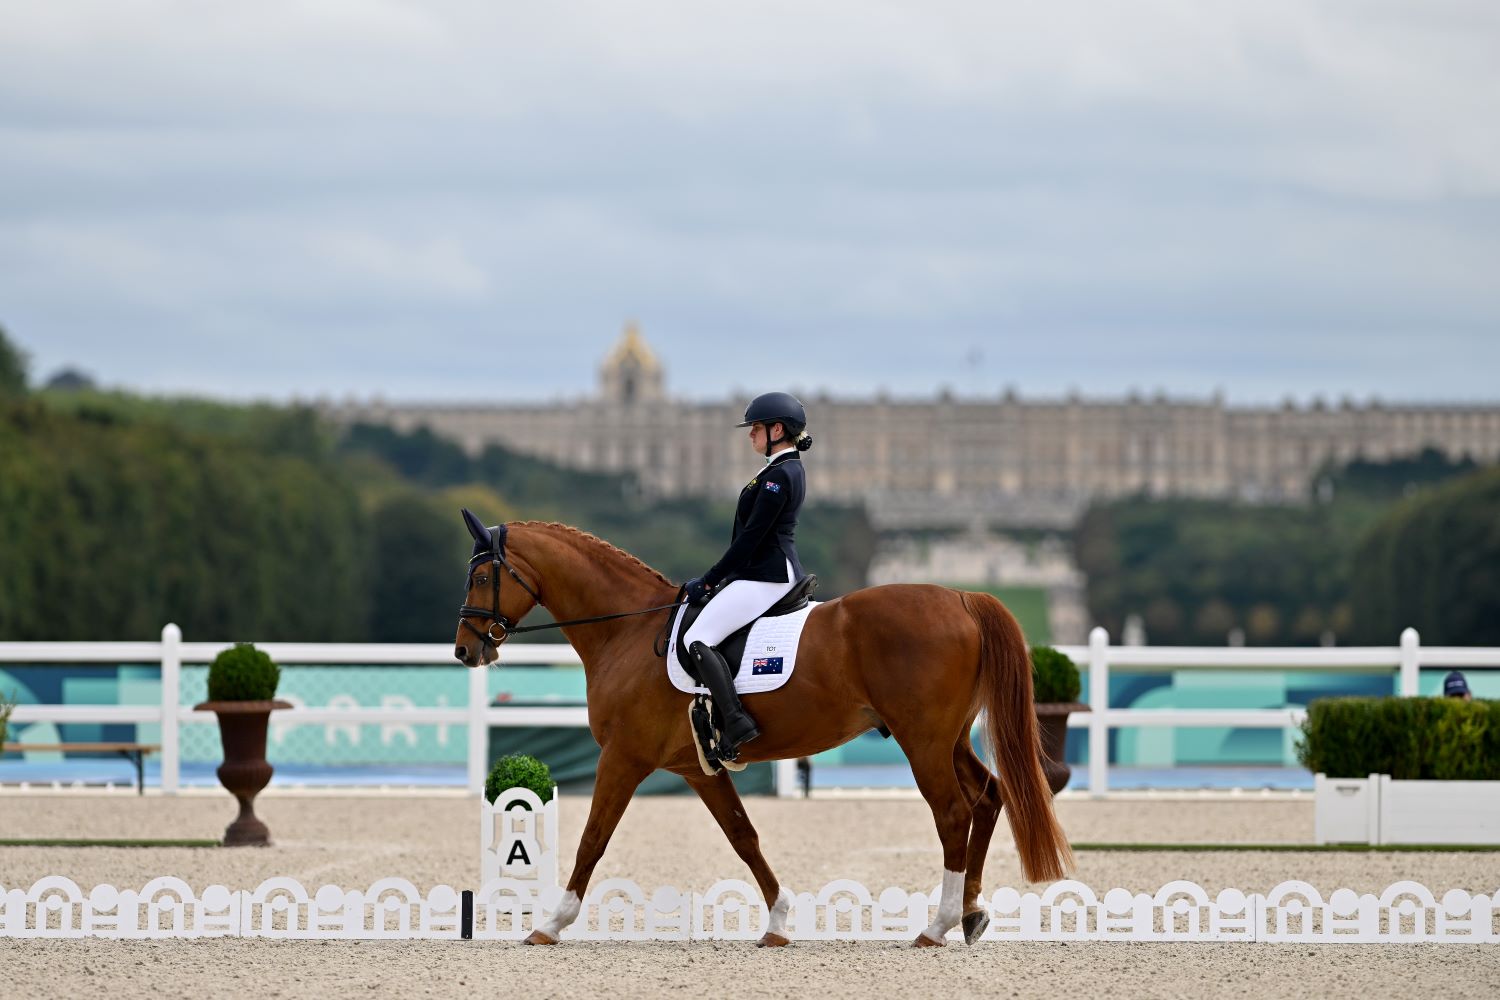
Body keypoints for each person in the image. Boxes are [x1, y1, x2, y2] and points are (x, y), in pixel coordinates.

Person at [682, 391, 812, 759]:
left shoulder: (780, 475)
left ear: (776, 429)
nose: (750, 434)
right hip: (761, 570)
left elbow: (752, 538)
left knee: (698, 639)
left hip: (767, 574)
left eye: (755, 428)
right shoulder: (776, 469)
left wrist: (710, 579)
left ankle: (736, 720)